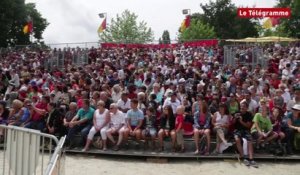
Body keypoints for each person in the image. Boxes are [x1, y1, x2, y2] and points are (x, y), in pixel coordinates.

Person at [232, 101, 258, 167]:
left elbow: (248, 126)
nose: (242, 108)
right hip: (237, 130)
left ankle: (251, 159)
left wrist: (241, 121)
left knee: (250, 140)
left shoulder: (249, 114)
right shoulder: (237, 113)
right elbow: (232, 123)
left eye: (243, 107)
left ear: (246, 108)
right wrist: (235, 118)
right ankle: (244, 157)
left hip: (246, 130)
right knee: (237, 139)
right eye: (241, 106)